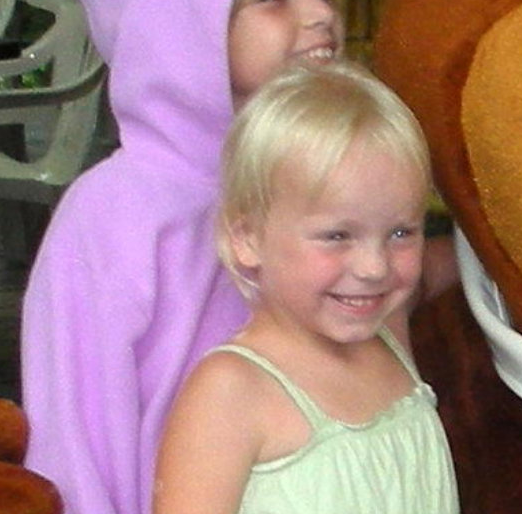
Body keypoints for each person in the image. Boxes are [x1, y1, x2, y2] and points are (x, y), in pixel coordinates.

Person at [20, 0, 353, 512]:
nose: (319, 13)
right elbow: (77, 446)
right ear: (174, 18)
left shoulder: (324, 183)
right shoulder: (113, 217)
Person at [154, 61, 457, 513]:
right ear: (248, 238)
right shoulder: (230, 392)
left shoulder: (388, 340)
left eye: (400, 233)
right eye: (337, 236)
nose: (374, 267)